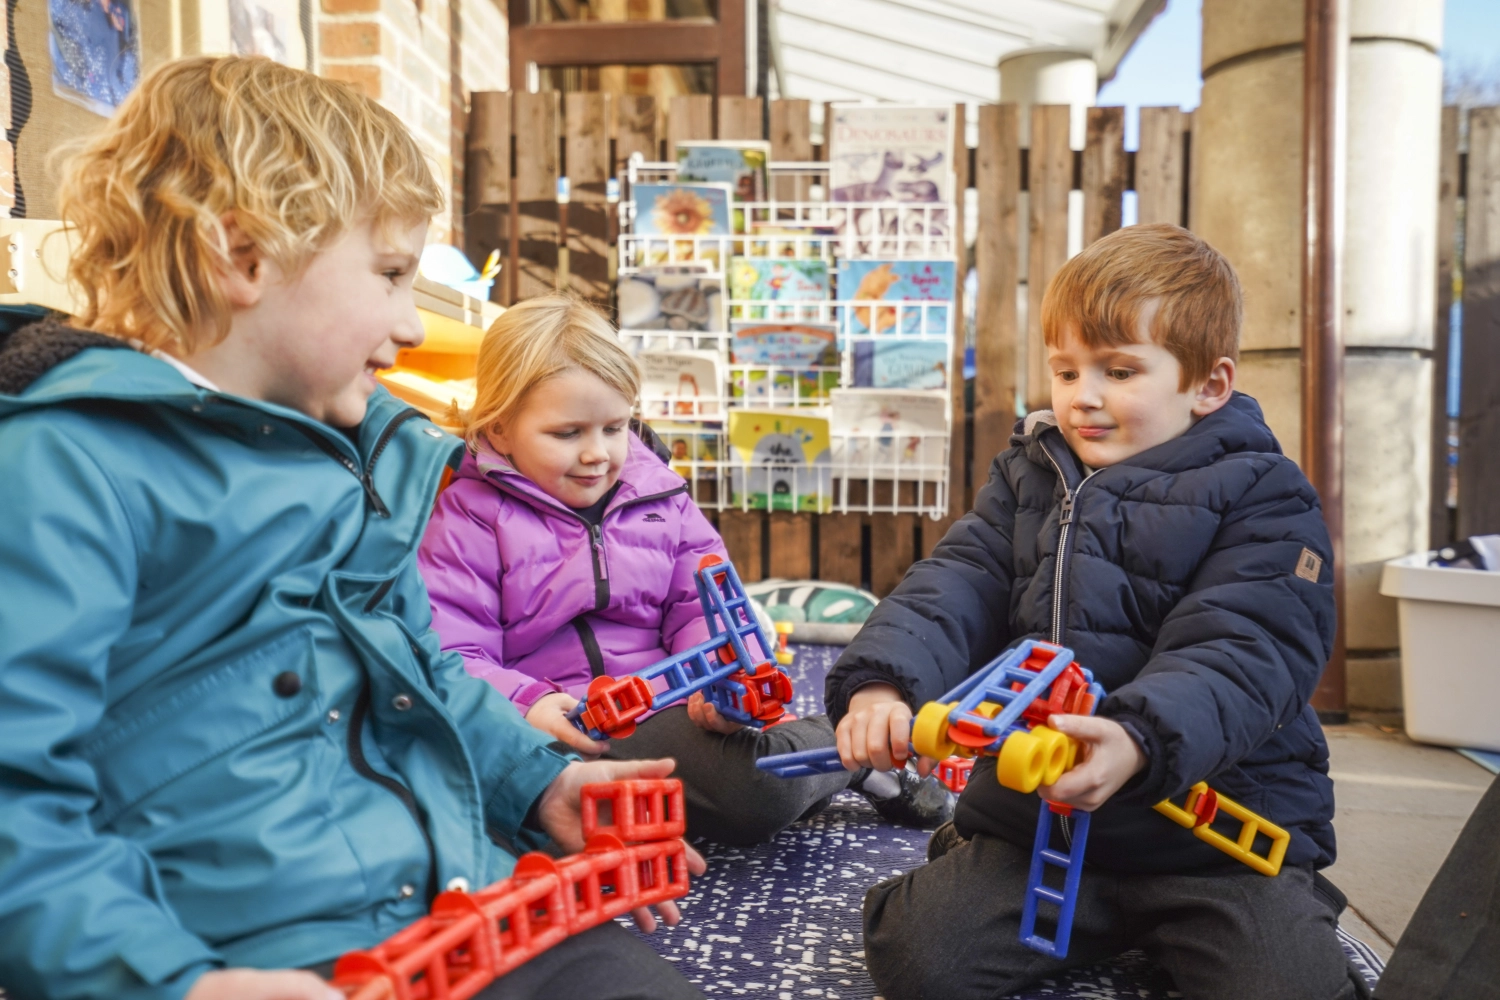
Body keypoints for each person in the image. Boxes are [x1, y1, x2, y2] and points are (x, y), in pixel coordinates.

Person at [0, 56, 705, 1000]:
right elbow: (17, 794)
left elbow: (423, 671)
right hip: (253, 959)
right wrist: (177, 983)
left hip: (460, 904)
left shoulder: (358, 456)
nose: (413, 325)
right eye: (389, 274)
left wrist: (536, 783)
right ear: (243, 256)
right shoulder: (67, 467)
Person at [826, 224, 1371, 1000]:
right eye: (1066, 369)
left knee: (1286, 987)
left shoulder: (1264, 497)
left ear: (1208, 386)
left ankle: (1284, 914)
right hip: (1042, 822)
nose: (1083, 396)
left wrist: (1139, 737)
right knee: (917, 958)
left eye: (1120, 371)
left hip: (1210, 834)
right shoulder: (1031, 475)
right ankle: (969, 858)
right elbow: (955, 581)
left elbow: (1248, 645)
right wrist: (882, 682)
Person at [417, 295, 953, 845]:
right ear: (500, 428)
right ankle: (784, 774)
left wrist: (717, 682)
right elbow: (449, 651)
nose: (597, 453)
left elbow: (704, 607)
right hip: (543, 725)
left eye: (614, 427)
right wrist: (526, 701)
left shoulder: (659, 496)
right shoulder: (468, 516)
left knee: (753, 791)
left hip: (661, 709)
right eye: (567, 433)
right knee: (480, 819)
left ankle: (848, 753)